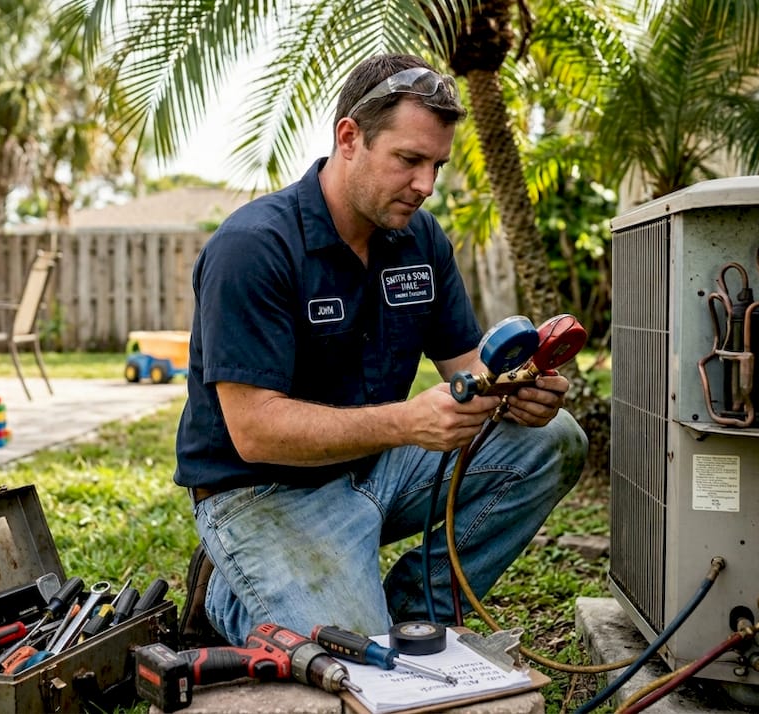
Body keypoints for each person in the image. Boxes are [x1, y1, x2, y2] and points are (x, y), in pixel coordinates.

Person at [174, 53, 587, 647]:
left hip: (376, 468)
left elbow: (465, 365)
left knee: (554, 440)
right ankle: (227, 596)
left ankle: (413, 617)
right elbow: (254, 430)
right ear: (350, 138)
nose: (426, 185)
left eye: (437, 164)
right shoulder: (254, 247)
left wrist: (520, 387)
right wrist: (406, 421)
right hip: (261, 491)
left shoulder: (420, 239)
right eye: (409, 160)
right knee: (349, 657)